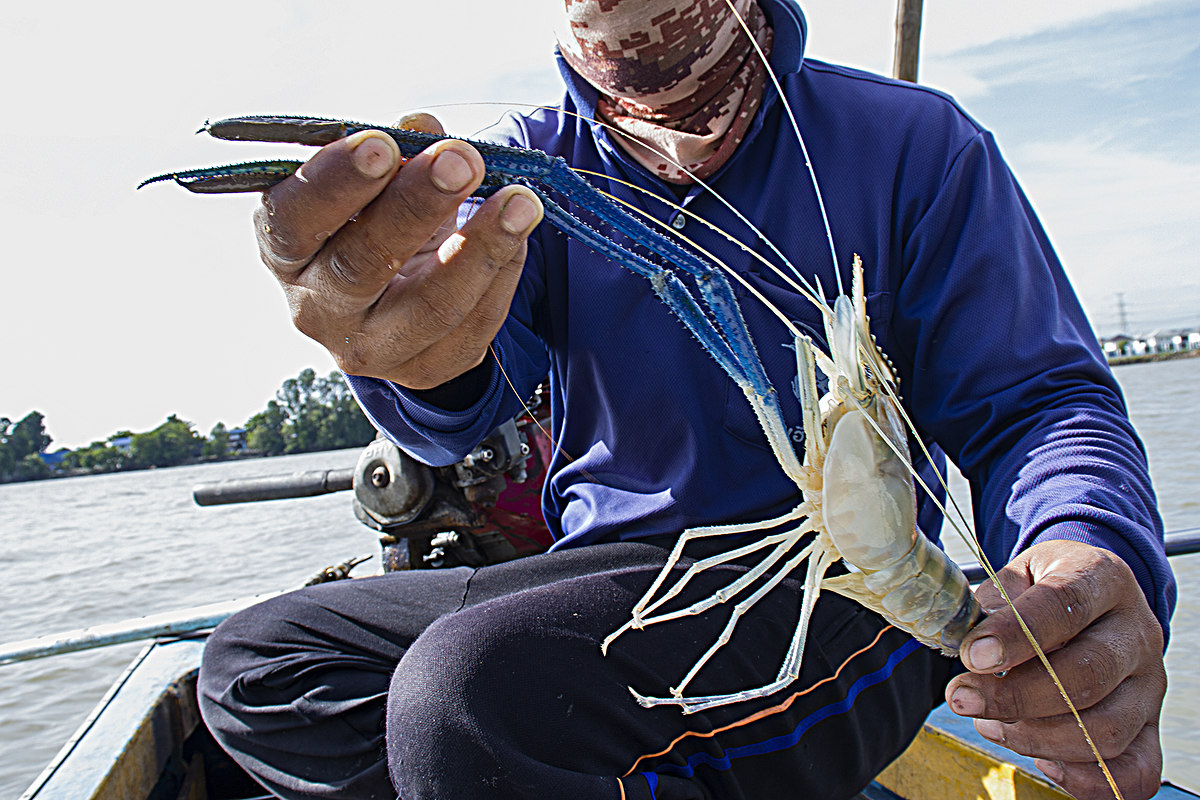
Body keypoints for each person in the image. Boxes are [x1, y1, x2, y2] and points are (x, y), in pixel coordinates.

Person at [197, 1, 1175, 798]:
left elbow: (1040, 401)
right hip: (618, 573)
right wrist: (415, 352)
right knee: (254, 663)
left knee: (470, 694)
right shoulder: (522, 176)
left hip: (850, 589)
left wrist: (1087, 537)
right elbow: (465, 402)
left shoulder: (917, 142)